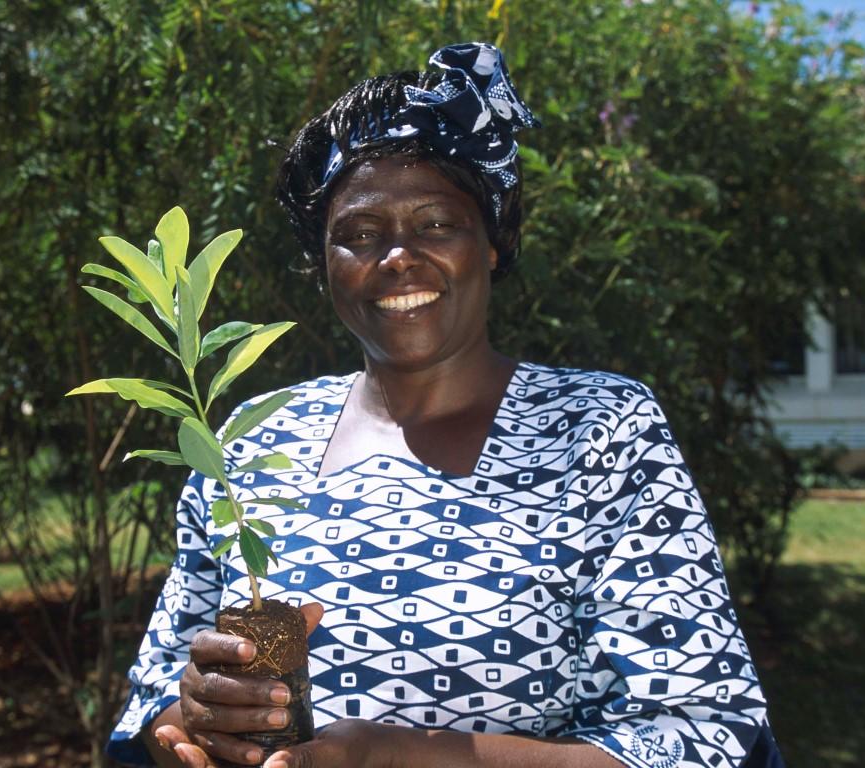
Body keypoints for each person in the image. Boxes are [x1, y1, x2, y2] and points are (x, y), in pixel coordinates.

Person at [108, 42, 784, 768]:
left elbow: (702, 734)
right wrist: (197, 712)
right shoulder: (246, 440)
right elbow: (154, 701)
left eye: (435, 224)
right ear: (323, 266)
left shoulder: (598, 429)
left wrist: (396, 756)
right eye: (359, 234)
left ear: (492, 243)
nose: (397, 256)